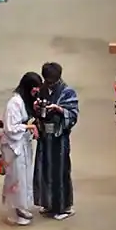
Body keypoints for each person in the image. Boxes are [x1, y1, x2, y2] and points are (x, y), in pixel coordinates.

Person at [31, 62, 78, 219]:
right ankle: (48, 204)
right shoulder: (42, 90)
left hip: (59, 137)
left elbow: (73, 114)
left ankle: (64, 207)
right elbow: (35, 111)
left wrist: (59, 109)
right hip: (45, 136)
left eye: (52, 81)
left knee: (61, 171)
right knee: (44, 169)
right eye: (47, 80)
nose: (49, 83)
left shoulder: (67, 92)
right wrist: (36, 108)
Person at [0, 73, 40, 225]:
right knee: (16, 178)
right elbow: (11, 128)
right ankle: (15, 211)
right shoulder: (14, 103)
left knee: (24, 177)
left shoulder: (24, 101)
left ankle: (22, 207)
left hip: (22, 143)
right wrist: (29, 127)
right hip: (13, 146)